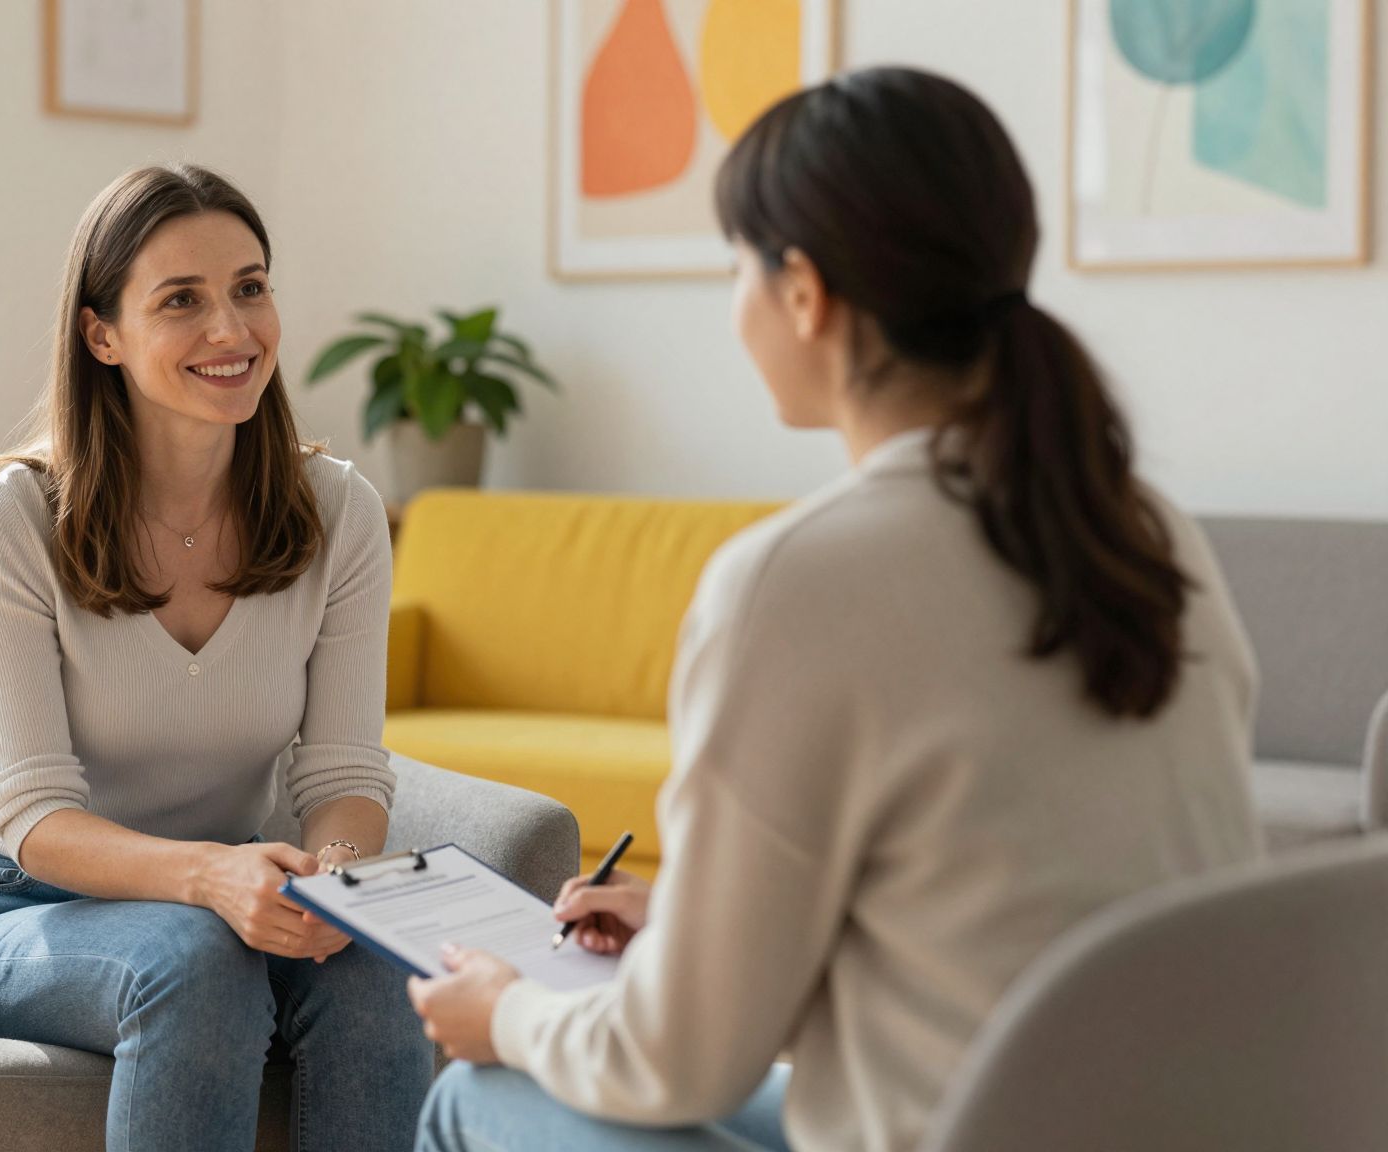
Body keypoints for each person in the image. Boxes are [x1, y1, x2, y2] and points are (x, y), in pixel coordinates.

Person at [407, 67, 1264, 1152]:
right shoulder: (1143, 529)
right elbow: (994, 899)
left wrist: (505, 1013)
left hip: (950, 1129)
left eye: (735, 267)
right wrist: (681, 923)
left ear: (802, 293)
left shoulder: (792, 580)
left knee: (483, 1096)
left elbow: (677, 1062)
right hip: (1173, 1118)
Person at [0, 163, 433, 1152]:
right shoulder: (14, 520)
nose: (232, 330)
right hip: (29, 913)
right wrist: (209, 879)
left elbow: (340, 771)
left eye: (250, 286)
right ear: (100, 334)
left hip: (242, 894)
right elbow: (28, 810)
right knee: (192, 954)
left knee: (375, 959)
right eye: (181, 301)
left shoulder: (338, 513)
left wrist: (333, 879)